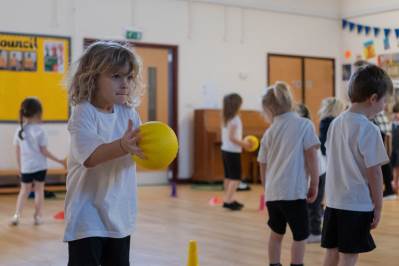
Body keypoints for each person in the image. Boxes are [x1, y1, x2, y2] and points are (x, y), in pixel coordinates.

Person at [64, 41, 144, 266]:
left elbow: (138, 152)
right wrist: (122, 146)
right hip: (86, 216)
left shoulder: (129, 113)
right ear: (92, 78)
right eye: (116, 76)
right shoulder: (83, 113)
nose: (124, 84)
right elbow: (90, 158)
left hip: (120, 214)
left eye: (129, 77)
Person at [322, 64, 393, 266]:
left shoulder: (335, 123)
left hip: (333, 202)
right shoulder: (369, 129)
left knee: (332, 252)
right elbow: (376, 173)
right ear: (373, 99)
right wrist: (378, 207)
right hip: (356, 204)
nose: (384, 107)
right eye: (384, 101)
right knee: (349, 256)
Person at [258, 82, 320, 266]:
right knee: (300, 236)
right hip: (293, 193)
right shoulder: (304, 125)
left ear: (268, 109)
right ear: (290, 101)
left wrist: (266, 187)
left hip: (273, 194)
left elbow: (263, 164)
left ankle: (274, 264)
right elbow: (312, 157)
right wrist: (314, 184)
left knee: (276, 234)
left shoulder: (269, 132)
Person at [11, 97, 66, 226]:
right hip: (40, 167)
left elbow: (17, 151)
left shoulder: (19, 130)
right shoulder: (40, 131)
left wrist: (19, 166)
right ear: (38, 113)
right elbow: (44, 152)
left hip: (26, 168)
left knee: (24, 191)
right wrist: (60, 160)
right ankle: (37, 217)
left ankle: (16, 215)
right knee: (39, 191)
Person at [221, 93, 252, 211]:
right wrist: (245, 144)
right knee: (236, 178)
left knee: (228, 176)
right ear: (236, 105)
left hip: (225, 150)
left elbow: (231, 137)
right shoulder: (235, 119)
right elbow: (232, 138)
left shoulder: (226, 118)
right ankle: (228, 201)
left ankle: (229, 199)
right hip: (232, 152)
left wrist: (242, 141)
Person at [391, 102, 399, 193]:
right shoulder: (393, 124)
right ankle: (395, 183)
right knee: (395, 168)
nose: (396, 115)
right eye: (395, 113)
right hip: (395, 149)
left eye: (397, 113)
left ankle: (396, 183)